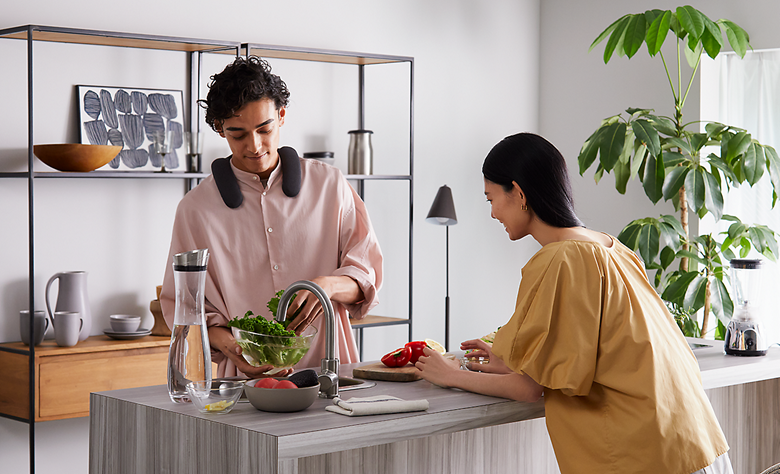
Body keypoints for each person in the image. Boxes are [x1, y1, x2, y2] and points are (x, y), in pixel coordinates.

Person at [415, 133, 731, 474]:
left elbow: (527, 390)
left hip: (644, 454)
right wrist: (513, 363)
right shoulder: (610, 248)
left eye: (491, 198)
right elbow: (598, 354)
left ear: (519, 193)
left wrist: (450, 376)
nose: (492, 213)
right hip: (691, 441)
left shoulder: (561, 259)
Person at [160, 56, 383, 379]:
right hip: (246, 382)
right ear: (220, 129)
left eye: (264, 129)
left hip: (332, 372)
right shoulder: (195, 209)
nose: (254, 145)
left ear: (281, 116)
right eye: (238, 134)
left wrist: (326, 286)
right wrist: (233, 348)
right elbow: (186, 308)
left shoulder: (331, 185)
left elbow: (367, 279)